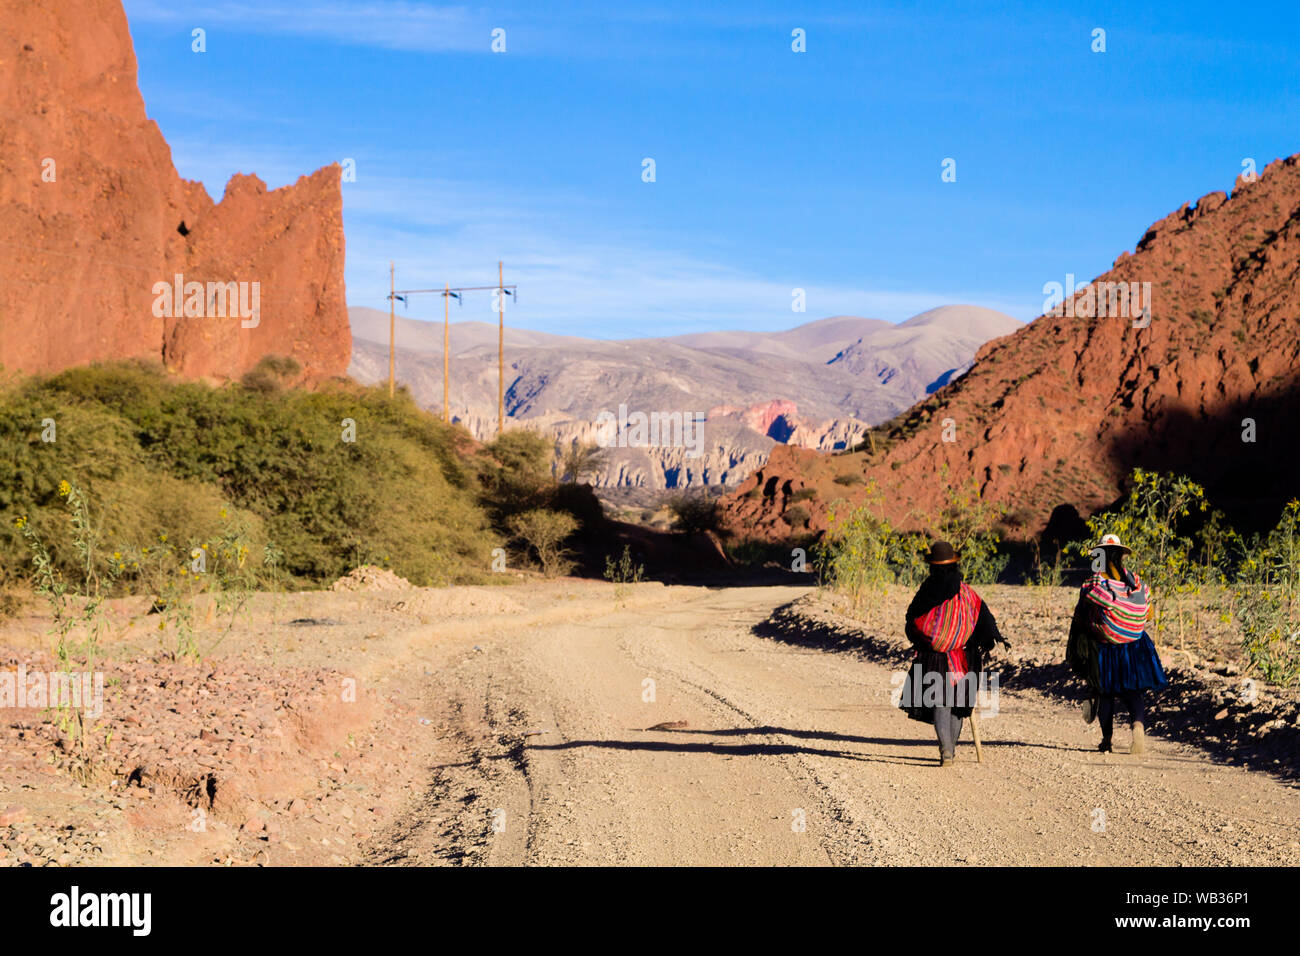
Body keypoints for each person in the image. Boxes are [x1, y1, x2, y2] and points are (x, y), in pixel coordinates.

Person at [898, 541, 1007, 766]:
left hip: (933, 657)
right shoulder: (967, 593)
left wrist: (925, 640)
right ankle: (951, 749)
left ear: (932, 567)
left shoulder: (927, 591)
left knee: (940, 702)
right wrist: (981, 642)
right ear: (955, 565)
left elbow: (912, 621)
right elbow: (985, 622)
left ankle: (946, 750)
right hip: (963, 658)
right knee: (958, 706)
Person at [1066, 533, 1168, 754]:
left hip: (1105, 645)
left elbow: (1081, 614)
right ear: (1122, 556)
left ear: (1099, 556)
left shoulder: (1095, 582)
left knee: (1105, 693)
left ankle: (1107, 740)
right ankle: (1138, 729)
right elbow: (1148, 614)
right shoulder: (1137, 581)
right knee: (1133, 692)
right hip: (1135, 645)